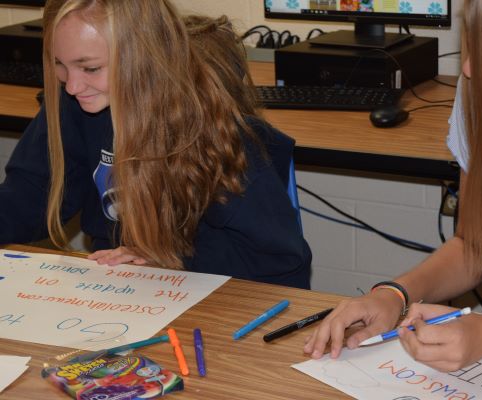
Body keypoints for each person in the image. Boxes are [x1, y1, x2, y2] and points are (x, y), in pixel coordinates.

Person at [304, 0, 482, 371]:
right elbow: (476, 245)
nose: (469, 68)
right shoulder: (479, 86)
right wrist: (395, 294)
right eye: (473, 40)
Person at [0, 0, 312, 289]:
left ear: (143, 59)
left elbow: (275, 261)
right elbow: (28, 199)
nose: (72, 85)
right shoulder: (77, 102)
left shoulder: (210, 129)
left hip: (204, 296)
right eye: (60, 65)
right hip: (116, 291)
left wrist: (170, 262)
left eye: (90, 68)